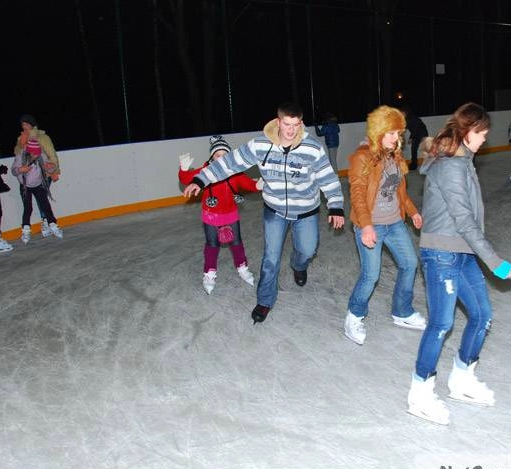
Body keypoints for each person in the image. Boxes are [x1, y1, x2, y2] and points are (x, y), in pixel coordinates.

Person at [183, 102, 345, 324]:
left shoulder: (312, 148)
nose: (291, 130)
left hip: (306, 210)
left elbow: (328, 178)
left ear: (301, 123)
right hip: (274, 210)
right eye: (287, 124)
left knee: (307, 250)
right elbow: (229, 163)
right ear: (278, 122)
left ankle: (299, 265)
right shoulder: (260, 145)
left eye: (296, 125)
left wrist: (335, 205)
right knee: (271, 257)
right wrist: (201, 179)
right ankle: (265, 300)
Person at [407, 102, 511, 425]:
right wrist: (494, 261)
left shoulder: (463, 160)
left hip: (462, 251)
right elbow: (464, 219)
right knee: (441, 323)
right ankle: (420, 393)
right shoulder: (452, 165)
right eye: (482, 133)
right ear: (468, 131)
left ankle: (462, 378)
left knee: (482, 316)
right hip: (442, 253)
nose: (485, 139)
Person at [344, 105, 426, 345]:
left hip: (395, 223)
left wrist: (412, 211)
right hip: (372, 225)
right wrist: (366, 226)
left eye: (398, 133)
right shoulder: (362, 157)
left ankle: (402, 311)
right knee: (371, 275)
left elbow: (399, 191)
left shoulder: (394, 156)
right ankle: (353, 317)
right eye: (391, 133)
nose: (396, 138)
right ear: (378, 131)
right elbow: (357, 195)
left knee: (409, 264)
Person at [178, 135, 261, 294]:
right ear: (212, 157)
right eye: (217, 155)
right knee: (212, 244)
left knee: (236, 242)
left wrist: (259, 185)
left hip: (231, 213)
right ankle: (209, 274)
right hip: (211, 214)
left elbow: (248, 184)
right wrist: (183, 169)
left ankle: (242, 268)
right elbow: (187, 179)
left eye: (224, 155)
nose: (221, 159)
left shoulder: (234, 171)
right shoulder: (205, 171)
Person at [14, 114, 60, 238]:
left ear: (32, 125)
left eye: (26, 124)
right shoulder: (21, 138)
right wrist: (21, 144)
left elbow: (51, 154)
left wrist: (55, 171)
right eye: (22, 125)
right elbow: (18, 155)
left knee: (42, 199)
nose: (24, 127)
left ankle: (45, 221)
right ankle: (45, 221)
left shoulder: (43, 137)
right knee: (38, 200)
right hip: (28, 175)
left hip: (44, 172)